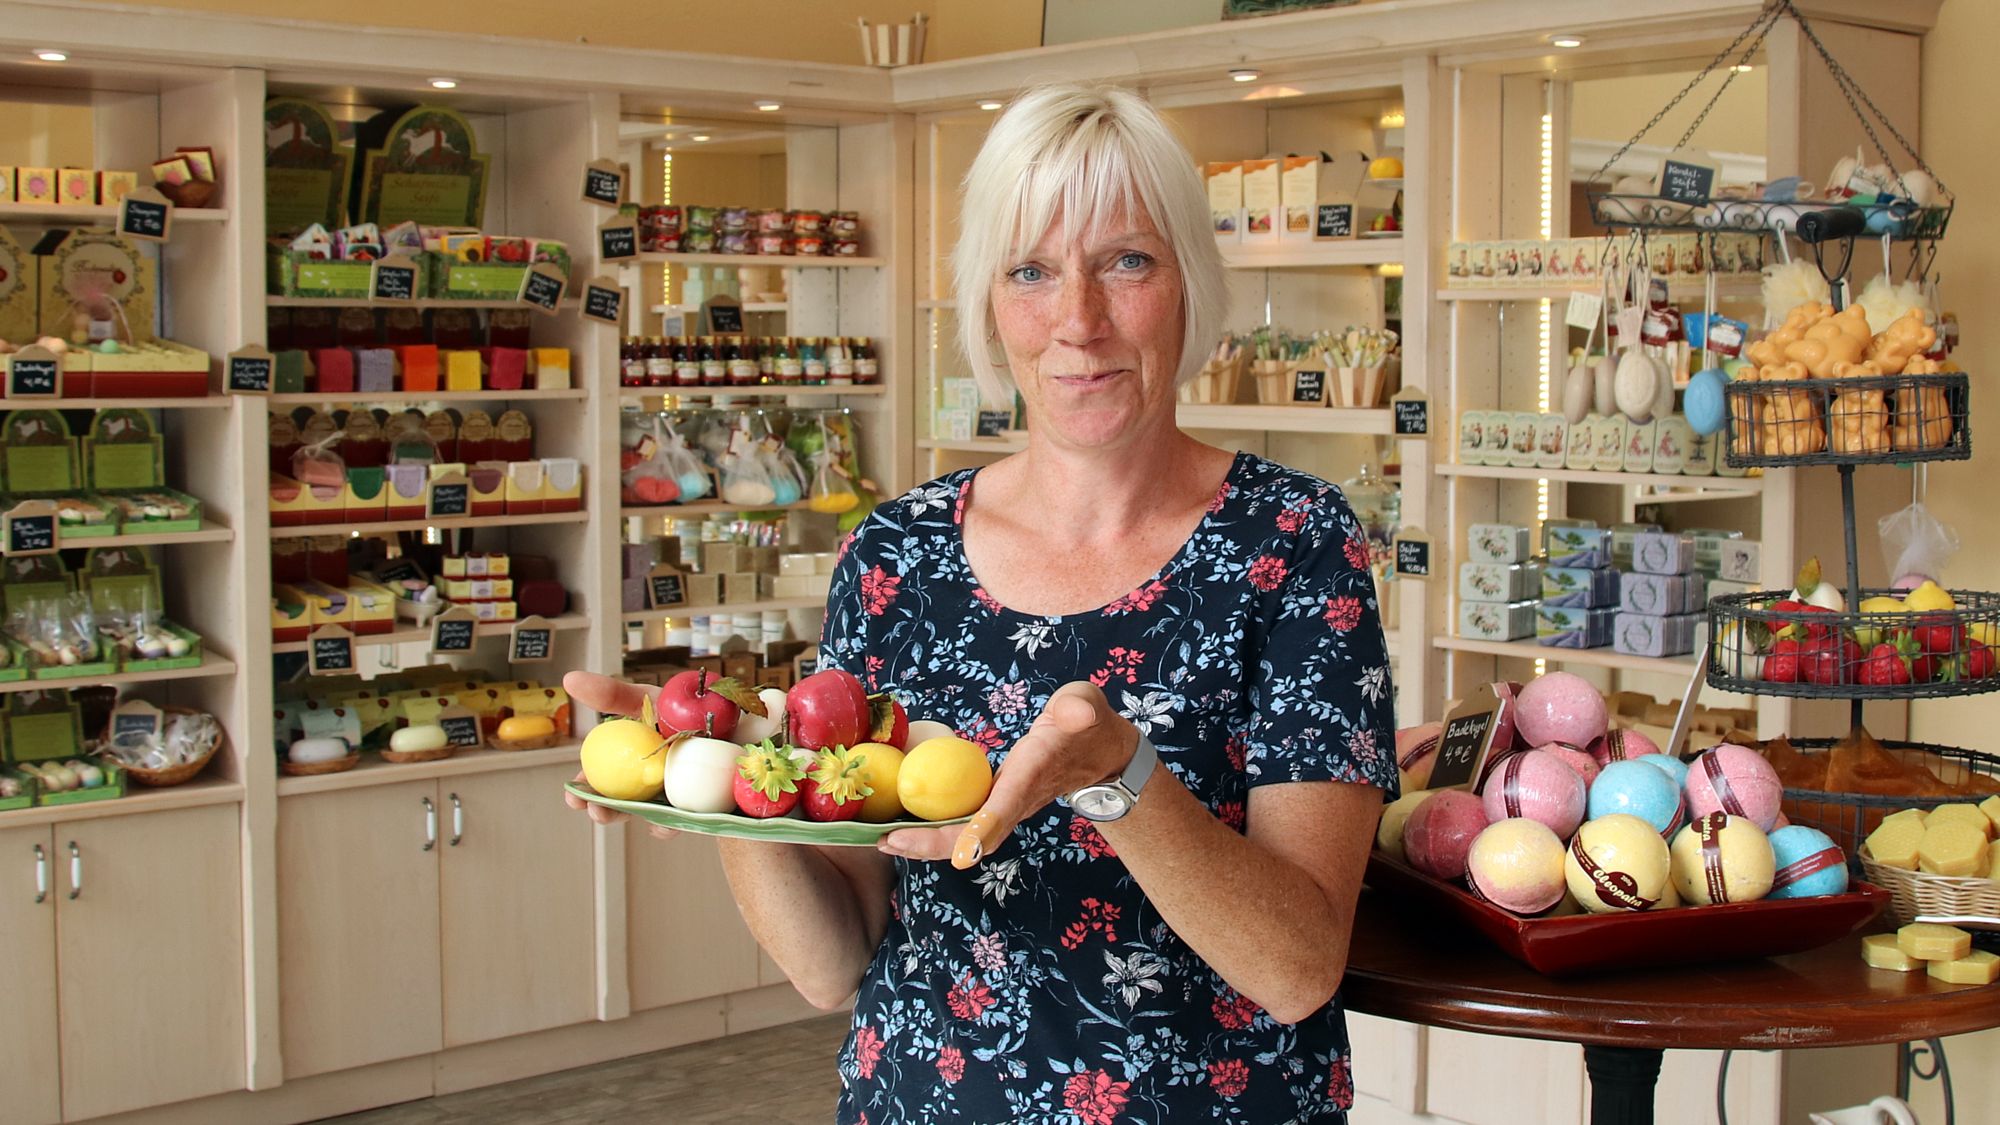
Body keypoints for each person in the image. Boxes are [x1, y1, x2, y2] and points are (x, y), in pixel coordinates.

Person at [567, 83, 1397, 1123]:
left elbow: (1295, 966)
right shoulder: (897, 554)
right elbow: (834, 966)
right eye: (1031, 272)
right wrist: (729, 781)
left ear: (1188, 281)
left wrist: (1119, 778)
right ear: (987, 301)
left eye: (1126, 262)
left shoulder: (1293, 542)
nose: (1077, 322)